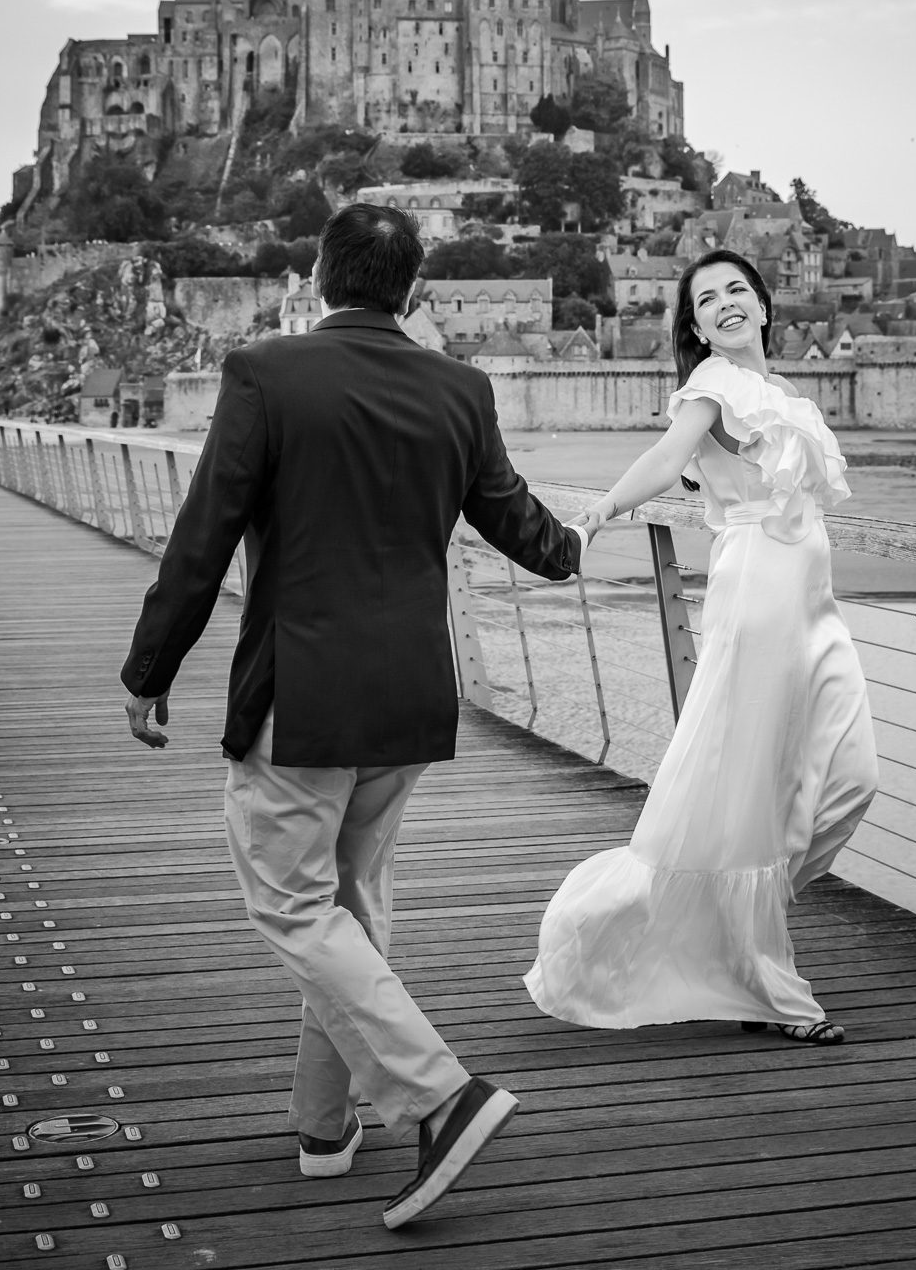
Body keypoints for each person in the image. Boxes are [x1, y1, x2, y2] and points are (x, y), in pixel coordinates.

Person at [120, 204, 585, 1230]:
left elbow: (205, 536)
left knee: (293, 909)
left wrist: (151, 667)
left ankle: (436, 1094)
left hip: (303, 698)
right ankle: (323, 1129)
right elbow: (521, 525)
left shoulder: (265, 374)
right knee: (350, 908)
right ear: (411, 291)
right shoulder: (459, 388)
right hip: (411, 696)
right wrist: (578, 543)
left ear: (323, 277)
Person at [525, 249, 877, 1043]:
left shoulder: (786, 394)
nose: (724, 303)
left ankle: (733, 933)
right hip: (754, 599)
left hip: (816, 610)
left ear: (762, 303)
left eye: (736, 290)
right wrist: (597, 513)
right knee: (748, 796)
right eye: (705, 298)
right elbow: (667, 458)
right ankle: (770, 986)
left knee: (853, 777)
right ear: (692, 323)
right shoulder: (713, 385)